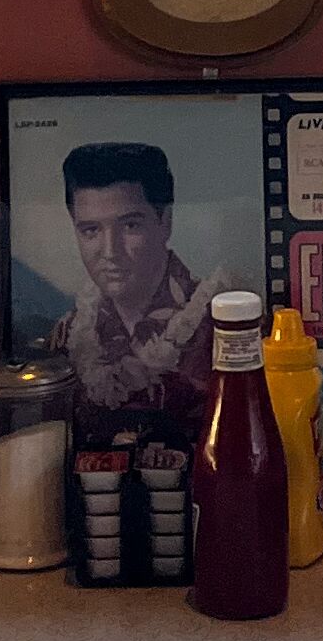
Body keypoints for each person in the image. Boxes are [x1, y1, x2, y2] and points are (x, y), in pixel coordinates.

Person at [47, 141, 233, 431]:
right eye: (91, 230)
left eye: (130, 226)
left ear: (165, 221)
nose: (110, 251)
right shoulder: (68, 335)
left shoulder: (225, 324)